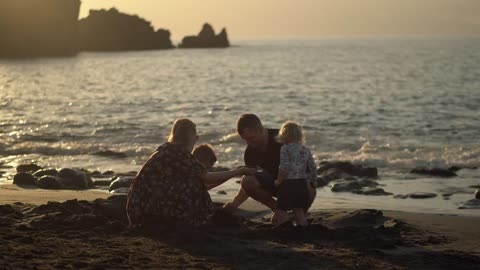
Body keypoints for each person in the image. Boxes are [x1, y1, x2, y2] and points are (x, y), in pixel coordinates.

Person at [126, 118, 255, 228]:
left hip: (137, 207)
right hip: (151, 212)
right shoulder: (180, 153)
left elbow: (201, 182)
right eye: (196, 137)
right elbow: (207, 178)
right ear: (191, 136)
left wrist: (232, 174)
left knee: (192, 182)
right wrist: (238, 171)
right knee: (195, 186)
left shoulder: (164, 149)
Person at [224, 114, 316, 225]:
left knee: (307, 190)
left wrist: (312, 183)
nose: (248, 143)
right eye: (245, 140)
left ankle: (295, 216)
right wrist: (235, 203)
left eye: (250, 138)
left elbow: (305, 168)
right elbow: (248, 183)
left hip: (296, 184)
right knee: (247, 180)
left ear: (260, 129)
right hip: (276, 184)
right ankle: (278, 209)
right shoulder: (251, 151)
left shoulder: (283, 139)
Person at [272, 121, 317, 226]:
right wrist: (313, 182)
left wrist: (279, 180)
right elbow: (313, 168)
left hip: (288, 184)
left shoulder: (285, 148)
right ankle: (304, 231)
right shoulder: (305, 149)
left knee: (279, 212)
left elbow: (284, 166)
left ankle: (277, 229)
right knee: (299, 212)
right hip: (301, 184)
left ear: (284, 135)